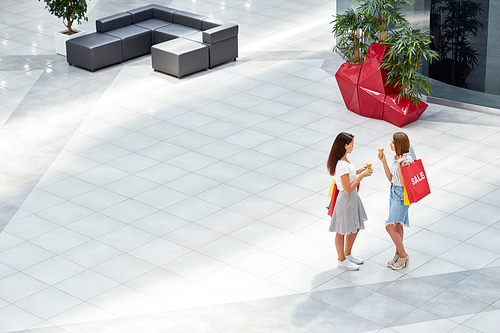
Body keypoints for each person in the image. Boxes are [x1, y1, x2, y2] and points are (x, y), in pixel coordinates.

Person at [327, 132, 373, 271]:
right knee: (341, 230)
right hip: (346, 199)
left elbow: (348, 177)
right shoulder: (341, 165)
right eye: (352, 144)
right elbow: (347, 188)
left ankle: (347, 254)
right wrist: (362, 176)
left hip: (353, 198)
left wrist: (358, 171)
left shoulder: (345, 160)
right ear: (345, 145)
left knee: (355, 226)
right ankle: (341, 260)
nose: (353, 146)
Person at [378, 132, 413, 270]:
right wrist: (384, 161)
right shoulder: (396, 158)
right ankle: (398, 253)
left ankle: (403, 255)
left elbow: (406, 184)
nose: (390, 144)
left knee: (389, 226)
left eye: (392, 142)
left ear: (399, 144)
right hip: (394, 192)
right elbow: (391, 178)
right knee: (397, 225)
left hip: (402, 195)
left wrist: (400, 166)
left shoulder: (406, 160)